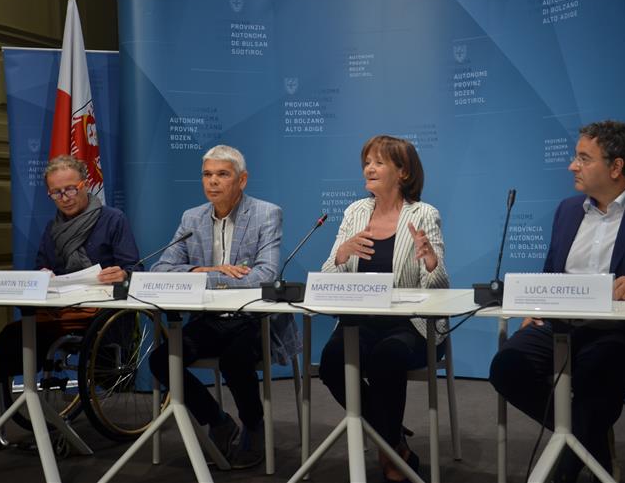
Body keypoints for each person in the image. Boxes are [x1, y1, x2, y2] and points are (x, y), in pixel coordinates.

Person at [489, 120, 625, 482]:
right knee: (508, 366)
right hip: (560, 329)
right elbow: (551, 273)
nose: (572, 165)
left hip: (624, 335)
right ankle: (593, 447)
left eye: (584, 158)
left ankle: (564, 470)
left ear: (616, 167)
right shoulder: (568, 210)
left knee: (596, 373)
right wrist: (535, 308)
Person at [148, 144, 300, 469]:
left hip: (254, 319)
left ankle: (254, 425)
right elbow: (161, 269)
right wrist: (207, 270)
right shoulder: (192, 218)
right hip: (210, 320)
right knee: (161, 360)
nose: (213, 181)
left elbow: (264, 275)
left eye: (222, 174)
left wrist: (201, 278)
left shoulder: (266, 214)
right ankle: (217, 421)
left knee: (235, 359)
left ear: (241, 180)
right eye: (207, 174)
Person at [318, 135, 450, 483]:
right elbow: (328, 276)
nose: (369, 169)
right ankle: (391, 439)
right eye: (367, 162)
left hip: (411, 324)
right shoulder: (355, 212)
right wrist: (342, 254)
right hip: (360, 322)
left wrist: (431, 260)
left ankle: (387, 448)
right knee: (331, 362)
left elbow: (438, 288)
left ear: (402, 172)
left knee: (386, 358)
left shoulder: (423, 214)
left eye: (378, 162)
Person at [0, 155, 141, 382]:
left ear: (85, 184)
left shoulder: (112, 219)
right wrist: (43, 275)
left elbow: (135, 269)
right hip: (62, 312)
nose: (64, 198)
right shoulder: (53, 228)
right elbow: (41, 267)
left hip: (102, 312)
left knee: (100, 340)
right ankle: (23, 391)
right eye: (56, 193)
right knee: (10, 337)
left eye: (71, 189)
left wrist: (123, 274)